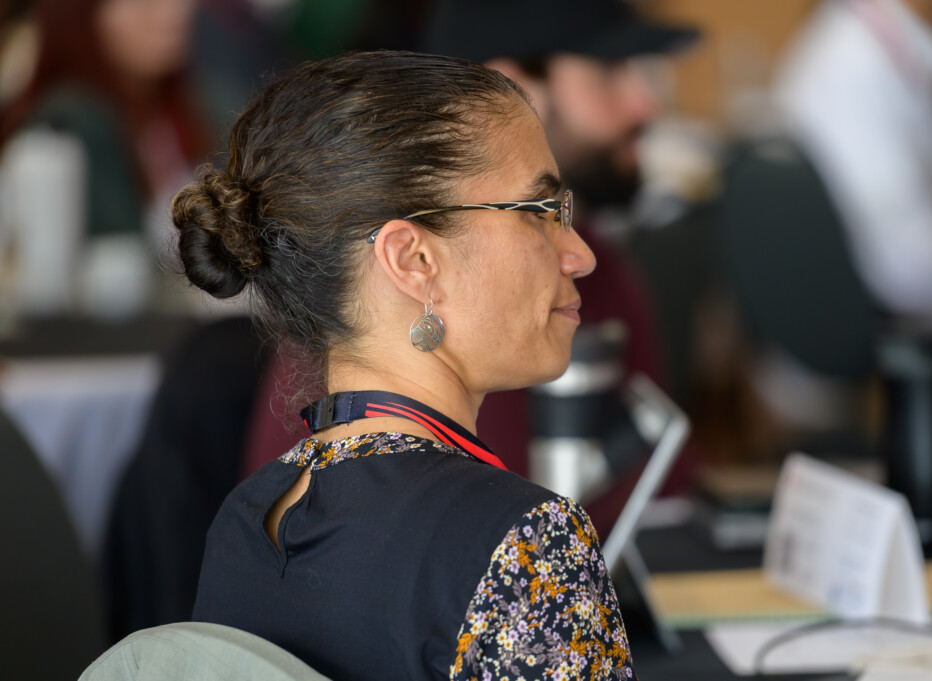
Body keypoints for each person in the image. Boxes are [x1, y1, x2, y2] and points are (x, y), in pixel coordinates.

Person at [176, 51, 636, 680]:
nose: (578, 253)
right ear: (414, 261)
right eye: (537, 212)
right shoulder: (522, 543)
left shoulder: (244, 520)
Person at [421, 0, 699, 478]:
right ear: (512, 87)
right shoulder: (410, 284)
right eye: (609, 71)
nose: (645, 103)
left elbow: (661, 488)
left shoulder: (601, 267)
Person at [774, 0, 932, 335]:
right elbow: (914, 267)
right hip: (876, 336)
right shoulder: (853, 64)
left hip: (921, 294)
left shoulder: (902, 44)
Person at [0, 0, 209, 317]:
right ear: (79, 15)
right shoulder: (70, 121)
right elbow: (122, 267)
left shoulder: (180, 113)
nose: (172, 14)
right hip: (95, 348)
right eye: (143, 4)